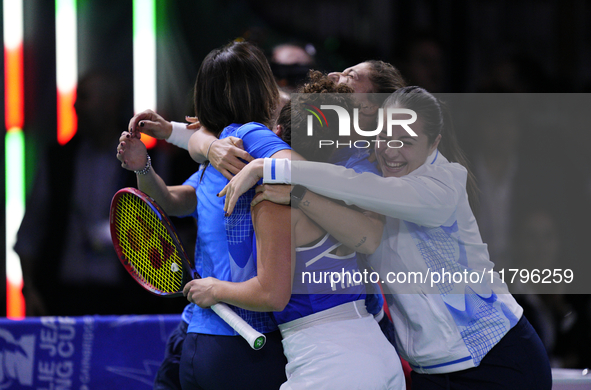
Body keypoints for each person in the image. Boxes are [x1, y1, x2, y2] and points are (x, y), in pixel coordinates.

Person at [219, 86, 552, 390]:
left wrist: (270, 169)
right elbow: (364, 224)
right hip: (428, 372)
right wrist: (214, 142)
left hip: (499, 359)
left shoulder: (442, 184)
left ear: (433, 143)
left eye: (406, 141)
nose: (392, 151)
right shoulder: (362, 171)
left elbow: (358, 187)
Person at [184, 79, 405, 389]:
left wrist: (214, 289)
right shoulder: (350, 188)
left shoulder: (272, 198)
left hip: (329, 364)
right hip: (380, 354)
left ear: (277, 135)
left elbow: (271, 294)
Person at [121, 40, 293, 390]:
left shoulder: (245, 144)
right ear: (261, 87)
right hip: (208, 330)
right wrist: (144, 169)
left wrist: (183, 134)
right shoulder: (218, 158)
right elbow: (175, 201)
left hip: (236, 338)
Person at [14, 70, 185, 317]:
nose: (75, 106)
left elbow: (173, 232)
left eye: (84, 97)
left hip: (130, 301)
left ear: (111, 103)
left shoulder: (151, 161)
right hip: (64, 297)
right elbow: (30, 232)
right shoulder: (57, 161)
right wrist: (29, 289)